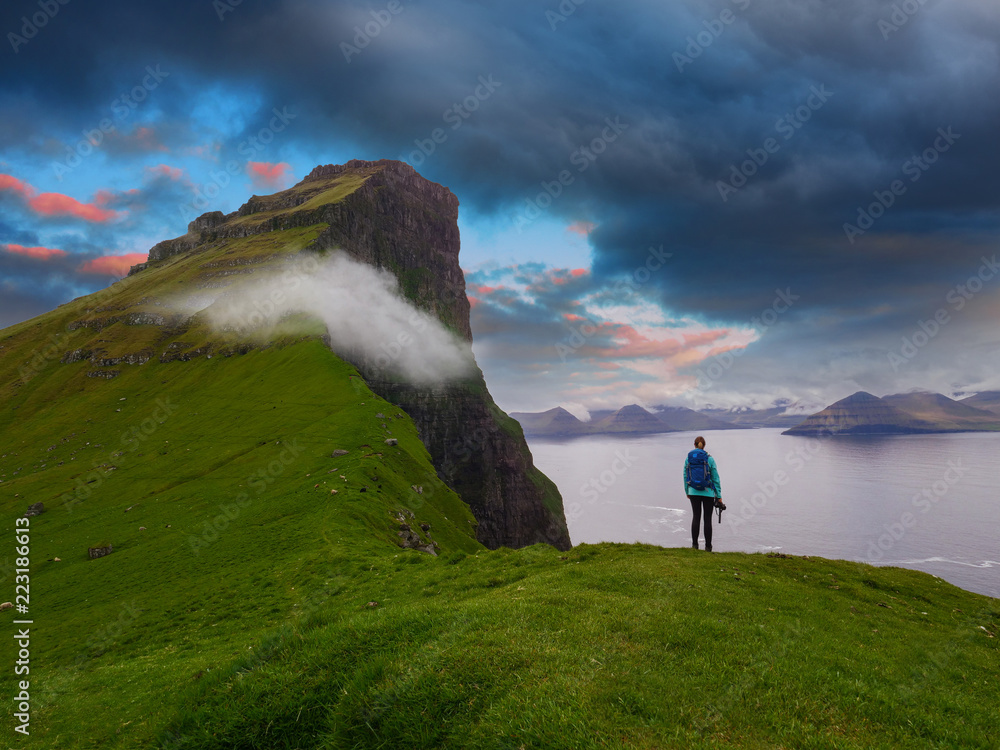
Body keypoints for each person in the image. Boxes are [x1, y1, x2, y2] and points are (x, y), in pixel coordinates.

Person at [683, 435, 721, 551]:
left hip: (693, 491)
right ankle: (708, 547)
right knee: (707, 519)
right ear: (704, 446)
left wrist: (687, 491)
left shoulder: (688, 458)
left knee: (696, 517)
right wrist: (718, 496)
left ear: (694, 445)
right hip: (708, 492)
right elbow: (715, 478)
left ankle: (695, 546)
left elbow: (685, 476)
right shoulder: (710, 459)